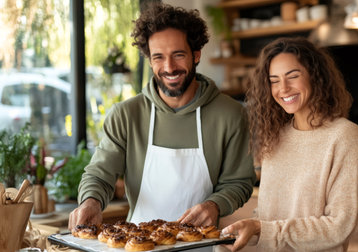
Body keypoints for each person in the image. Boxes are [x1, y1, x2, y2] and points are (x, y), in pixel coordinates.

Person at [69, 2, 255, 231]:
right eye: (158, 57)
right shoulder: (127, 115)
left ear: (196, 55)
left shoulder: (230, 114)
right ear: (149, 61)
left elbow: (238, 182)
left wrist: (215, 205)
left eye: (178, 55)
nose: (169, 67)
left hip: (201, 246)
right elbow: (100, 173)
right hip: (138, 243)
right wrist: (91, 202)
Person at [222, 37, 358, 251]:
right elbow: (266, 216)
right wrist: (243, 233)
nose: (284, 88)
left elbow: (339, 225)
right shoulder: (275, 135)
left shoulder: (344, 135)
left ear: (316, 77)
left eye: (293, 76)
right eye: (274, 80)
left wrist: (263, 229)